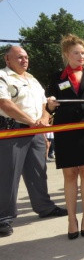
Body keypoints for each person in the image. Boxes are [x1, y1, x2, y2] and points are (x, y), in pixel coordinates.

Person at [0, 46, 68, 238]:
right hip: (11, 132)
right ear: (7, 59)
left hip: (36, 133)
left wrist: (45, 120)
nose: (24, 60)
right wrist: (31, 122)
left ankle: (44, 207)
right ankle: (3, 218)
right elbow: (4, 103)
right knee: (8, 175)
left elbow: (44, 104)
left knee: (39, 171)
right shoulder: (2, 77)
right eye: (19, 57)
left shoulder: (32, 80)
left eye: (26, 57)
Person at [47, 34, 84, 239]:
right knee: (70, 174)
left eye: (83, 53)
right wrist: (50, 104)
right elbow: (49, 104)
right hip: (66, 129)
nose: (81, 56)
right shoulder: (57, 78)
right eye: (76, 53)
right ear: (66, 54)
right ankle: (72, 219)